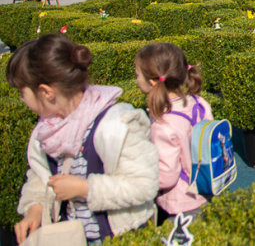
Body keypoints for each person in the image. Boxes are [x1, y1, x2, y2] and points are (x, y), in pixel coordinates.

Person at [7, 34, 158, 245]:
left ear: (46, 92)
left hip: (120, 238)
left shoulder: (116, 123)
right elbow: (40, 174)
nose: (22, 100)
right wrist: (35, 208)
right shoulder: (46, 130)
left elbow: (144, 184)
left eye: (22, 93)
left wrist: (85, 188)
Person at [134, 43, 211, 223]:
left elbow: (167, 176)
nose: (136, 79)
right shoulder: (198, 103)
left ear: (152, 82)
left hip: (182, 202)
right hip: (207, 185)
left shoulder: (163, 125)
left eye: (137, 75)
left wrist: (139, 178)